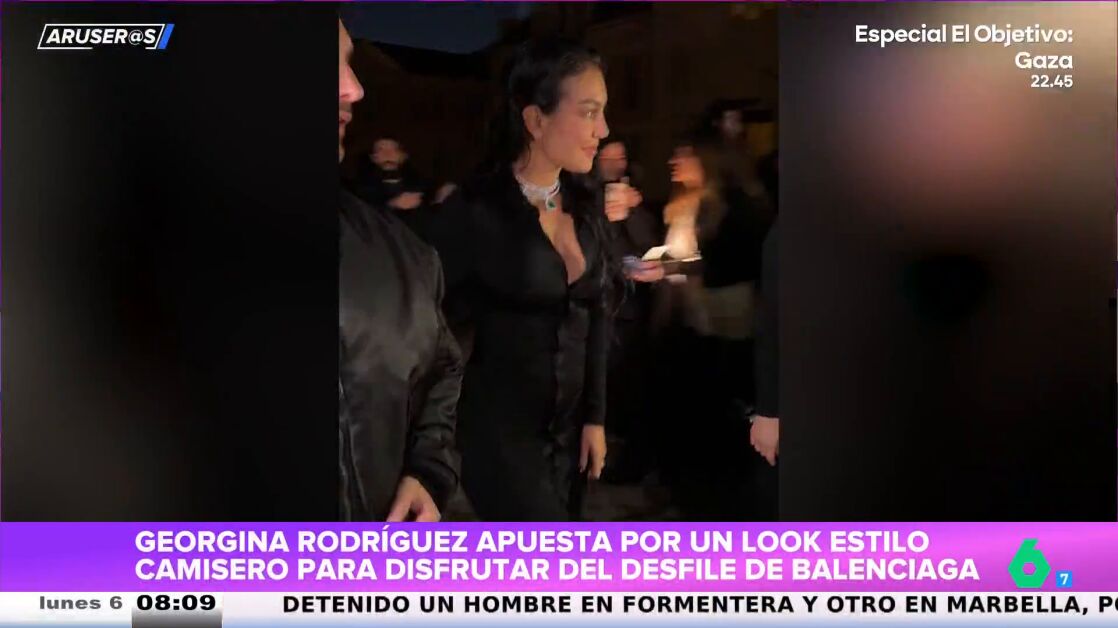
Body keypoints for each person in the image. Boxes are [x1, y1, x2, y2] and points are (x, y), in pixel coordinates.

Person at [425, 39, 613, 521]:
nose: (603, 130)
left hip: (569, 439)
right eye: (589, 112)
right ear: (535, 120)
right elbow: (427, 331)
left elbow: (597, 314)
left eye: (602, 112)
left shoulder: (587, 206)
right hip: (499, 439)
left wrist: (594, 417)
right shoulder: (476, 211)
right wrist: (422, 454)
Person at [337, 20, 462, 522]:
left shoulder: (408, 255)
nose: (354, 88)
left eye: (349, 63)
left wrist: (427, 469)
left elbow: (442, 369)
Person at [351, 137, 430, 230]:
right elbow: (358, 216)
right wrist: (391, 204)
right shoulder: (360, 188)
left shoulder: (423, 185)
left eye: (394, 149)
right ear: (373, 157)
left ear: (403, 156)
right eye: (380, 149)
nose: (387, 154)